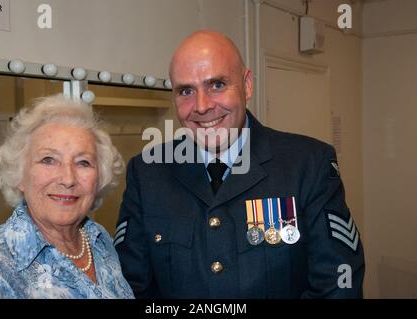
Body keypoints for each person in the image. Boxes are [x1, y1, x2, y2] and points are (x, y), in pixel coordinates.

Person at [115, 30, 365, 298]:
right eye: (186, 91)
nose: (201, 106)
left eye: (217, 85)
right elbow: (131, 287)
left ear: (247, 85)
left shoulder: (308, 164)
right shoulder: (148, 173)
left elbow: (339, 284)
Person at [0, 94, 134, 299]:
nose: (68, 179)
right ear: (20, 175)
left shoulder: (100, 240)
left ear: (99, 177)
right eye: (48, 160)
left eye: (83, 162)